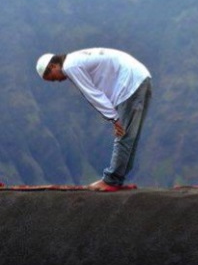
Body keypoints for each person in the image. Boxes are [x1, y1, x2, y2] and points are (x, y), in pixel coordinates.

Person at [36, 48, 152, 191]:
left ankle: (111, 180)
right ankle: (118, 179)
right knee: (130, 136)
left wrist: (114, 118)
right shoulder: (75, 58)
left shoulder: (70, 66)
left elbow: (92, 94)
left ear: (53, 66)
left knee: (123, 134)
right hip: (142, 78)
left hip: (129, 83)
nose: (57, 81)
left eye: (53, 78)